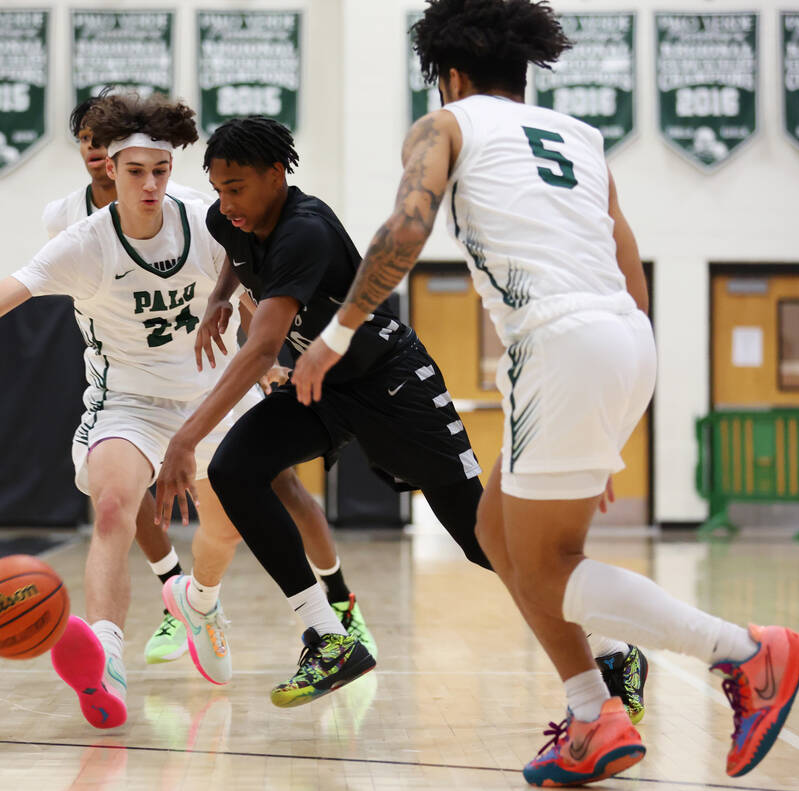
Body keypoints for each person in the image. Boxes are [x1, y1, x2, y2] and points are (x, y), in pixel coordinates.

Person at [292, 0, 799, 787]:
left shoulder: (447, 125)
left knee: (544, 565)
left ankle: (743, 651)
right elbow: (628, 264)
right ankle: (590, 715)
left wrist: (335, 336)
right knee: (499, 537)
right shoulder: (580, 138)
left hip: (561, 340)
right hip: (623, 336)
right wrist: (609, 413)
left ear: (450, 74)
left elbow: (404, 227)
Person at [154, 116, 643, 714]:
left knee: (482, 541)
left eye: (238, 188)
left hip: (394, 384)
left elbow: (261, 346)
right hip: (323, 383)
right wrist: (219, 298)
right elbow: (237, 252)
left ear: (277, 175)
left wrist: (184, 437)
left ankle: (615, 646)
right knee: (235, 469)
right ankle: (328, 636)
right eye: (219, 188)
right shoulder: (226, 220)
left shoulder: (304, 231)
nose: (227, 203)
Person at [0, 94, 242, 730]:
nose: (150, 183)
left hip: (212, 394)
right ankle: (107, 660)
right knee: (112, 507)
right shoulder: (82, 242)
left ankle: (199, 601)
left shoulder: (206, 220)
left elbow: (259, 297)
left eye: (160, 169)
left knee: (229, 528)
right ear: (111, 172)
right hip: (126, 397)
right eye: (136, 172)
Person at [44, 96, 379, 664]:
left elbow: (241, 277)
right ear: (83, 149)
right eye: (88, 142)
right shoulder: (66, 218)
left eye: (107, 142)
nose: (99, 153)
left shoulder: (190, 206)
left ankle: (336, 603)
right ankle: (176, 598)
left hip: (212, 369)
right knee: (122, 493)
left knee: (279, 488)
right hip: (133, 376)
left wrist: (263, 352)